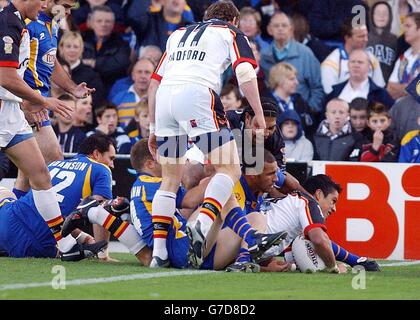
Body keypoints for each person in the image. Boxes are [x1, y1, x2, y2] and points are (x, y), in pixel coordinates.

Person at [147, 1, 286, 268]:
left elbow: (155, 81)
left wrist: (153, 126)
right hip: (197, 95)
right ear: (233, 19)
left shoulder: (178, 34)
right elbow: (244, 71)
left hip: (165, 99)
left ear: (205, 18)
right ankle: (203, 222)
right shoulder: (231, 32)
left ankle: (159, 253)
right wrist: (257, 111)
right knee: (229, 167)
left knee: (169, 179)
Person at [0, 0, 76, 255]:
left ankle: (64, 244)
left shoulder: (24, 22)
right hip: (6, 105)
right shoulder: (7, 20)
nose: (45, 4)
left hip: (12, 112)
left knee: (41, 172)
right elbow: (6, 77)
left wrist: (27, 102)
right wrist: (42, 100)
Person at [254, 174, 380, 272]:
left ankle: (356, 260)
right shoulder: (308, 202)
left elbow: (297, 255)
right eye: (333, 200)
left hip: (242, 243)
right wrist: (333, 268)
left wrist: (266, 267)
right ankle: (356, 260)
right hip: (247, 243)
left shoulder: (288, 205)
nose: (334, 209)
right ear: (318, 194)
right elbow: (319, 240)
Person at [0, 186, 107, 261]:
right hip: (28, 235)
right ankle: (69, 249)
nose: (112, 164)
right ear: (96, 153)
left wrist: (83, 237)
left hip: (11, 216)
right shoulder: (100, 169)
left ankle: (70, 248)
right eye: (110, 159)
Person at [260, 12, 324, 114]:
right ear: (269, 30)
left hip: (300, 114)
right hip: (272, 116)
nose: (280, 29)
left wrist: (309, 112)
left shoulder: (305, 53)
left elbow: (317, 88)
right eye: (276, 26)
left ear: (291, 29)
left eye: (284, 25)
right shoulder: (263, 56)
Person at [321, 19, 385, 95]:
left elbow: (380, 89)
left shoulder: (372, 59)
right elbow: (331, 97)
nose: (366, 39)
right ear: (347, 38)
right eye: (361, 36)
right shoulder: (331, 64)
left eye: (366, 35)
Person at [326, 49, 394, 108]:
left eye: (360, 62)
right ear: (348, 65)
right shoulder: (334, 93)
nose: (356, 65)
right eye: (353, 62)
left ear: (369, 66)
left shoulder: (381, 95)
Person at [58, 31, 106, 109]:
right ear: (61, 48)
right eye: (68, 46)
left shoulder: (91, 75)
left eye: (75, 47)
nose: (72, 50)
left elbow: (97, 100)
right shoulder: (52, 71)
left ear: (81, 49)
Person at [110, 58, 155, 127]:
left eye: (147, 72)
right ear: (133, 75)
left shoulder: (159, 98)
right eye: (139, 72)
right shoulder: (119, 98)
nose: (143, 76)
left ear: (154, 76)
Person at [387, 12, 420, 100]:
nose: (404, 30)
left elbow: (418, 91)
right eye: (404, 26)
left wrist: (401, 88)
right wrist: (408, 88)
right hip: (400, 109)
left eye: (408, 26)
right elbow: (389, 88)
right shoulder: (404, 57)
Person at [367, 1, 398, 82]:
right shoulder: (364, 38)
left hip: (388, 87)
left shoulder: (395, 40)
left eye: (385, 13)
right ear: (371, 15)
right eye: (378, 13)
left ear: (390, 17)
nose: (381, 16)